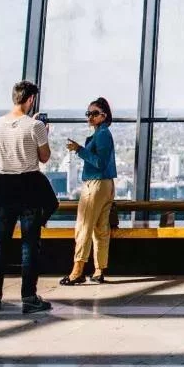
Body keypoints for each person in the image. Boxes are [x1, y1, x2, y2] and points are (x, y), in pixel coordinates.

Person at [0, 81, 57, 314]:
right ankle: (29, 297)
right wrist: (44, 132)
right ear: (31, 99)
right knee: (29, 244)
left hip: (2, 186)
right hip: (29, 188)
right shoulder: (35, 126)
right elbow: (44, 158)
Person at [60, 97, 118, 285]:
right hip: (106, 185)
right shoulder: (103, 134)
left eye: (94, 113)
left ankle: (77, 271)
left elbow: (99, 162)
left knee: (84, 227)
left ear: (104, 115)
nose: (90, 117)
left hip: (95, 185)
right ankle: (99, 269)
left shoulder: (101, 135)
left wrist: (79, 150)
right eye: (88, 113)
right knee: (101, 229)